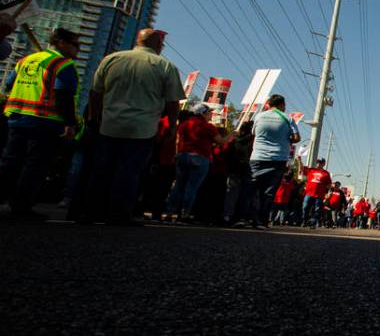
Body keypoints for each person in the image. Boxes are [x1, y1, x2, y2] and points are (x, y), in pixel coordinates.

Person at [84, 29, 183, 225]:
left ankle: (92, 211)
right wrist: (172, 127)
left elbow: (96, 93)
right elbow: (173, 102)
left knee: (102, 168)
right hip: (142, 127)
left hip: (109, 124)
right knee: (130, 170)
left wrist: (93, 118)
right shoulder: (165, 66)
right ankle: (119, 214)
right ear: (158, 45)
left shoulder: (112, 59)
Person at [0, 28, 80, 219]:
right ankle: (21, 206)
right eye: (76, 44)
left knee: (9, 163)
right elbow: (63, 96)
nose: (78, 49)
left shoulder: (27, 60)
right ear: (61, 43)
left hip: (17, 118)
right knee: (35, 166)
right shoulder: (63, 64)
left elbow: (10, 84)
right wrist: (70, 123)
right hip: (45, 122)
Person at [166, 104, 231, 223]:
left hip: (183, 156)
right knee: (191, 188)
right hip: (200, 158)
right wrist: (232, 135)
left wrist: (177, 155)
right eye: (209, 112)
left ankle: (170, 213)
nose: (211, 114)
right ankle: (184, 214)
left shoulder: (184, 124)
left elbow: (177, 141)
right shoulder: (208, 127)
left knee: (179, 186)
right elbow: (221, 142)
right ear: (202, 113)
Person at [245, 94, 300, 228]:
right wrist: (287, 139)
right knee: (268, 192)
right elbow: (297, 137)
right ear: (282, 104)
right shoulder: (287, 118)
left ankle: (245, 217)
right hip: (278, 158)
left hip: (257, 157)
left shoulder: (259, 116)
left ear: (269, 104)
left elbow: (254, 133)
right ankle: (261, 221)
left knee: (251, 189)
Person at [222, 121, 254, 225]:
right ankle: (240, 217)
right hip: (247, 169)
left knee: (231, 194)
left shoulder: (233, 141)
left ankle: (227, 216)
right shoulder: (254, 142)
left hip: (233, 169)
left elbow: (226, 153)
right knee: (245, 195)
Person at [301, 158, 332, 228]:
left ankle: (313, 223)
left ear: (323, 164)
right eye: (317, 162)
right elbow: (302, 169)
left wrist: (329, 192)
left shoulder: (326, 173)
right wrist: (300, 160)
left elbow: (329, 184)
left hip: (319, 195)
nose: (318, 164)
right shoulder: (311, 170)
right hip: (309, 193)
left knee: (317, 210)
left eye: (320, 163)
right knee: (305, 207)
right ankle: (304, 221)